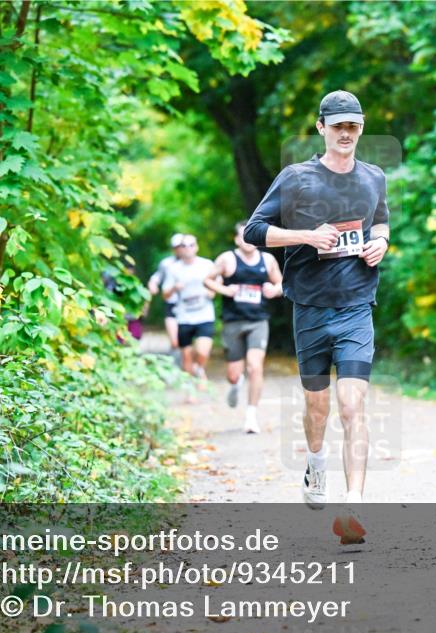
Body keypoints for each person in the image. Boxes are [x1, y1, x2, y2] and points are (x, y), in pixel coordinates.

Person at [243, 90, 390, 541]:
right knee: (318, 407)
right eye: (338, 126)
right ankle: (315, 462)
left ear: (361, 129)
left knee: (353, 406)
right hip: (310, 307)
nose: (346, 134)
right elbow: (254, 231)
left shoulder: (374, 177)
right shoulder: (295, 178)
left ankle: (354, 507)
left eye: (354, 126)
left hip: (356, 307)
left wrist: (381, 243)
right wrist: (307, 236)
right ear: (321, 127)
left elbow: (380, 221)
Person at [204, 221, 284, 434]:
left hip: (258, 320)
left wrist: (273, 290)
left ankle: (251, 416)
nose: (248, 241)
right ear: (237, 240)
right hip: (233, 321)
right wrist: (225, 290)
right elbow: (207, 280)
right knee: (234, 373)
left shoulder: (267, 260)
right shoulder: (227, 259)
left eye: (251, 237)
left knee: (255, 366)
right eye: (243, 237)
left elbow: (282, 284)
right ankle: (235, 383)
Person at [162, 234, 216, 390]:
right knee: (186, 355)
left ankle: (200, 369)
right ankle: (191, 390)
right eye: (184, 246)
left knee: (202, 351)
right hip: (184, 316)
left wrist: (212, 291)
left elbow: (217, 281)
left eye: (191, 245)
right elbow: (165, 294)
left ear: (196, 247)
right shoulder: (173, 268)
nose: (188, 249)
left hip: (204, 314)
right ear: (179, 249)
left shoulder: (206, 265)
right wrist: (174, 288)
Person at [147, 233, 186, 360]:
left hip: (190, 306)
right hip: (171, 303)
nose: (179, 249)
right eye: (176, 247)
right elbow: (156, 277)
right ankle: (175, 365)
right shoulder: (166, 264)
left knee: (186, 340)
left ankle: (186, 366)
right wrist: (153, 285)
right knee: (175, 341)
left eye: (182, 246)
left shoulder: (195, 263)